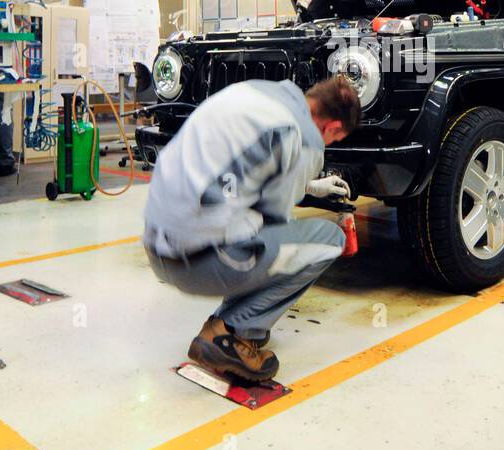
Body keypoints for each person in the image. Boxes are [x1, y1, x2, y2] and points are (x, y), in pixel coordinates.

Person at [143, 74, 361, 382]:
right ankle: (230, 335)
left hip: (159, 244)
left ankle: (228, 324)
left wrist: (309, 186)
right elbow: (275, 219)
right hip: (195, 262)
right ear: (332, 127)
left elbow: (241, 168)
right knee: (325, 240)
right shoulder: (305, 138)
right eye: (334, 140)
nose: (328, 143)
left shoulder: (259, 92)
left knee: (248, 225)